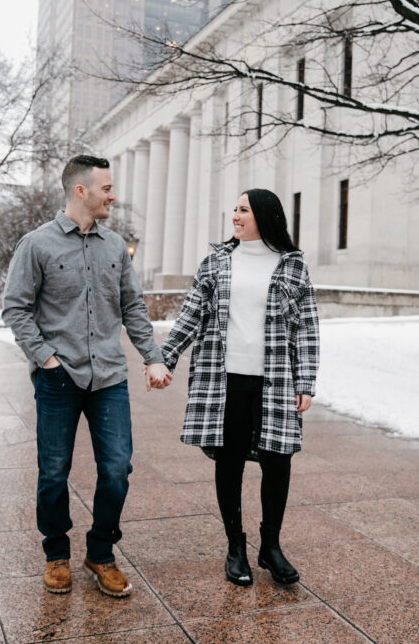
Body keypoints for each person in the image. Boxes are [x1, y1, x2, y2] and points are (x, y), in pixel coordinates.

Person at [2, 154, 172, 597]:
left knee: (117, 469)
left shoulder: (114, 245)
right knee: (53, 472)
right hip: (59, 377)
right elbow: (15, 309)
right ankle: (56, 552)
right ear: (81, 190)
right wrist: (45, 358)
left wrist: (152, 356)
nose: (113, 196)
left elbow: (132, 306)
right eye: (106, 188)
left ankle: (100, 552)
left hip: (109, 377)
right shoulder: (36, 245)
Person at [158, 188, 319, 587]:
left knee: (277, 461)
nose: (235, 216)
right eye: (234, 209)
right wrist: (165, 357)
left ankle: (271, 546)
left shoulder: (292, 266)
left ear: (264, 215)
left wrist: (306, 381)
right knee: (228, 462)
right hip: (225, 379)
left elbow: (307, 328)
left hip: (276, 380)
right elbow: (190, 314)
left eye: (243, 210)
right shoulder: (217, 262)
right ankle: (235, 547)